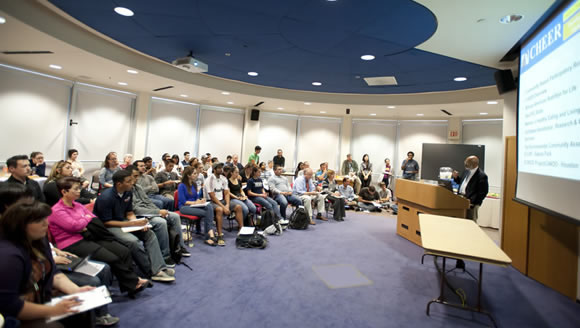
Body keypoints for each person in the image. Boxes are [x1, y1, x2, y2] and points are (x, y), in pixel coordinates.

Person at [47, 176, 150, 297]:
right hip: (71, 244)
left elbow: (93, 218)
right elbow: (75, 226)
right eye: (76, 189)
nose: (79, 191)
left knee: (123, 251)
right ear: (64, 192)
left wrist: (83, 222)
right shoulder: (57, 210)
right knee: (112, 258)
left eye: (79, 188)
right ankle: (133, 282)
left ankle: (130, 285)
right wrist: (85, 219)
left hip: (88, 236)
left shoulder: (77, 205)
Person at [0, 200, 95, 327]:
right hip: (15, 314)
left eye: (46, 218)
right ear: (20, 225)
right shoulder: (8, 256)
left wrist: (75, 290)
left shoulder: (39, 239)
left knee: (80, 307)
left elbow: (54, 272)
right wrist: (53, 310)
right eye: (40, 221)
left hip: (41, 297)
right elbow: (10, 305)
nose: (47, 223)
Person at [93, 170, 175, 282]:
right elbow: (106, 222)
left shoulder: (128, 192)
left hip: (123, 222)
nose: (133, 183)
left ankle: (159, 267)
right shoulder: (105, 198)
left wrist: (137, 223)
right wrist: (131, 223)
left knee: (149, 234)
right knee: (133, 241)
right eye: (129, 181)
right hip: (108, 227)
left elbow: (129, 212)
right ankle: (152, 271)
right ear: (119, 184)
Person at [126, 165, 190, 258]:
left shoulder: (138, 187)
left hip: (148, 211)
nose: (137, 178)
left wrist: (158, 210)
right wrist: (158, 212)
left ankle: (180, 246)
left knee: (175, 216)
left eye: (137, 176)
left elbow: (148, 201)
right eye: (135, 176)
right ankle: (165, 255)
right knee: (161, 222)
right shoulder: (127, 190)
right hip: (139, 215)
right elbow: (135, 210)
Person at [177, 166, 217, 246]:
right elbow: (183, 201)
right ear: (188, 175)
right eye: (194, 173)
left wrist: (200, 201)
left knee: (209, 206)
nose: (196, 175)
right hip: (184, 207)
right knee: (206, 213)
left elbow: (196, 198)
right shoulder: (181, 185)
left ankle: (209, 233)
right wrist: (195, 203)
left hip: (193, 205)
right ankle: (209, 235)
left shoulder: (194, 185)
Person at [205, 162, 243, 245]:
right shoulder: (209, 179)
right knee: (219, 209)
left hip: (222, 200)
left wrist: (228, 205)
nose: (221, 169)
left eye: (221, 168)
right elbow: (212, 196)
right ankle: (219, 235)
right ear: (214, 169)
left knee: (238, 207)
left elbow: (226, 193)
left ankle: (241, 230)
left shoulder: (223, 178)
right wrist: (224, 207)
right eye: (218, 168)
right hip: (211, 202)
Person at [452, 155, 489, 221]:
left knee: (470, 220)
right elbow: (461, 182)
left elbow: (483, 192)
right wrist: (456, 178)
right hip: (461, 199)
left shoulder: (482, 176)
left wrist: (473, 202)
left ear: (474, 164)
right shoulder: (466, 171)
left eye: (467, 163)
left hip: (471, 203)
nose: (465, 164)